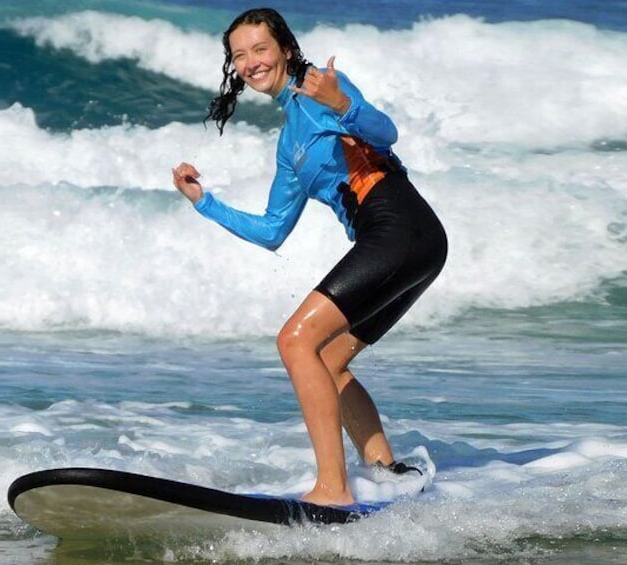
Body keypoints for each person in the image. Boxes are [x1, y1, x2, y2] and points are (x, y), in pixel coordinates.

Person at [172, 7, 447, 507]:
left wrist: (342, 101)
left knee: (296, 340)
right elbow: (273, 230)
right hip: (408, 240)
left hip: (400, 225)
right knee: (328, 358)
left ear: (286, 50)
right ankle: (388, 475)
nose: (251, 62)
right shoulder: (289, 143)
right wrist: (204, 202)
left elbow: (386, 134)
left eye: (260, 49)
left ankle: (332, 489)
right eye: (239, 55)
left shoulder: (320, 90)